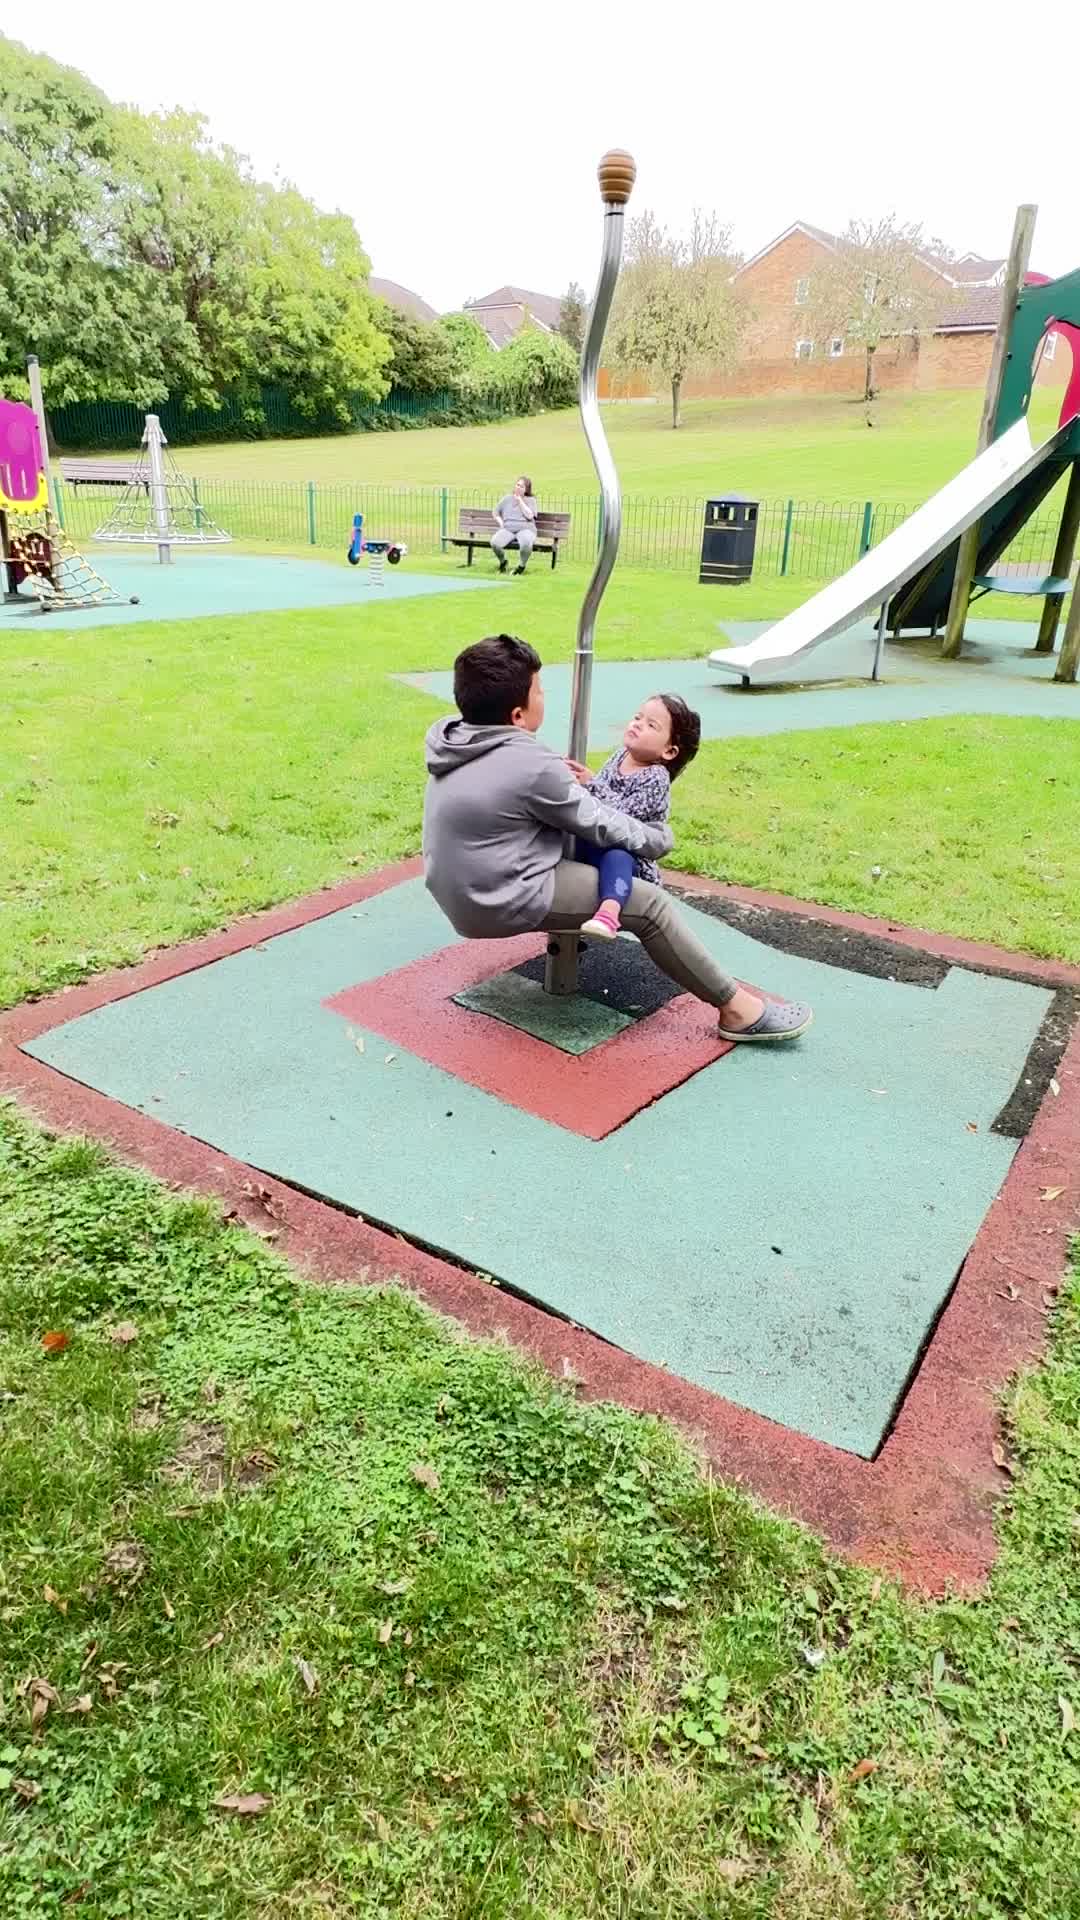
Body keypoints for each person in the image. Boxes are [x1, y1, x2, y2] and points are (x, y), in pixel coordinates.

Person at [422, 634, 813, 1043]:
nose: (544, 695)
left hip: (456, 884)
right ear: (518, 715)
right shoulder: (530, 764)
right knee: (650, 904)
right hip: (494, 898)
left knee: (590, 857)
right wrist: (657, 838)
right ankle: (738, 1012)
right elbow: (600, 822)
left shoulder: (455, 737)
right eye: (539, 690)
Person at [569, 693, 699, 943]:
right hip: (599, 839)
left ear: (669, 751)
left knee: (617, 855)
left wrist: (592, 785)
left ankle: (609, 912)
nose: (638, 724)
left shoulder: (656, 777)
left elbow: (624, 821)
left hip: (631, 857)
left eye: (651, 725)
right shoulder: (620, 755)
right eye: (638, 717)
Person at [491, 476, 538, 575]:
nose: (518, 487)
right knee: (495, 543)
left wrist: (520, 501)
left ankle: (521, 566)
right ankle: (503, 562)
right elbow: (495, 512)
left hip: (526, 528)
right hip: (508, 528)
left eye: (522, 486)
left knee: (526, 542)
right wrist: (501, 523)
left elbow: (530, 515)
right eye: (517, 485)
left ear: (526, 490)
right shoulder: (507, 499)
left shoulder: (531, 500)